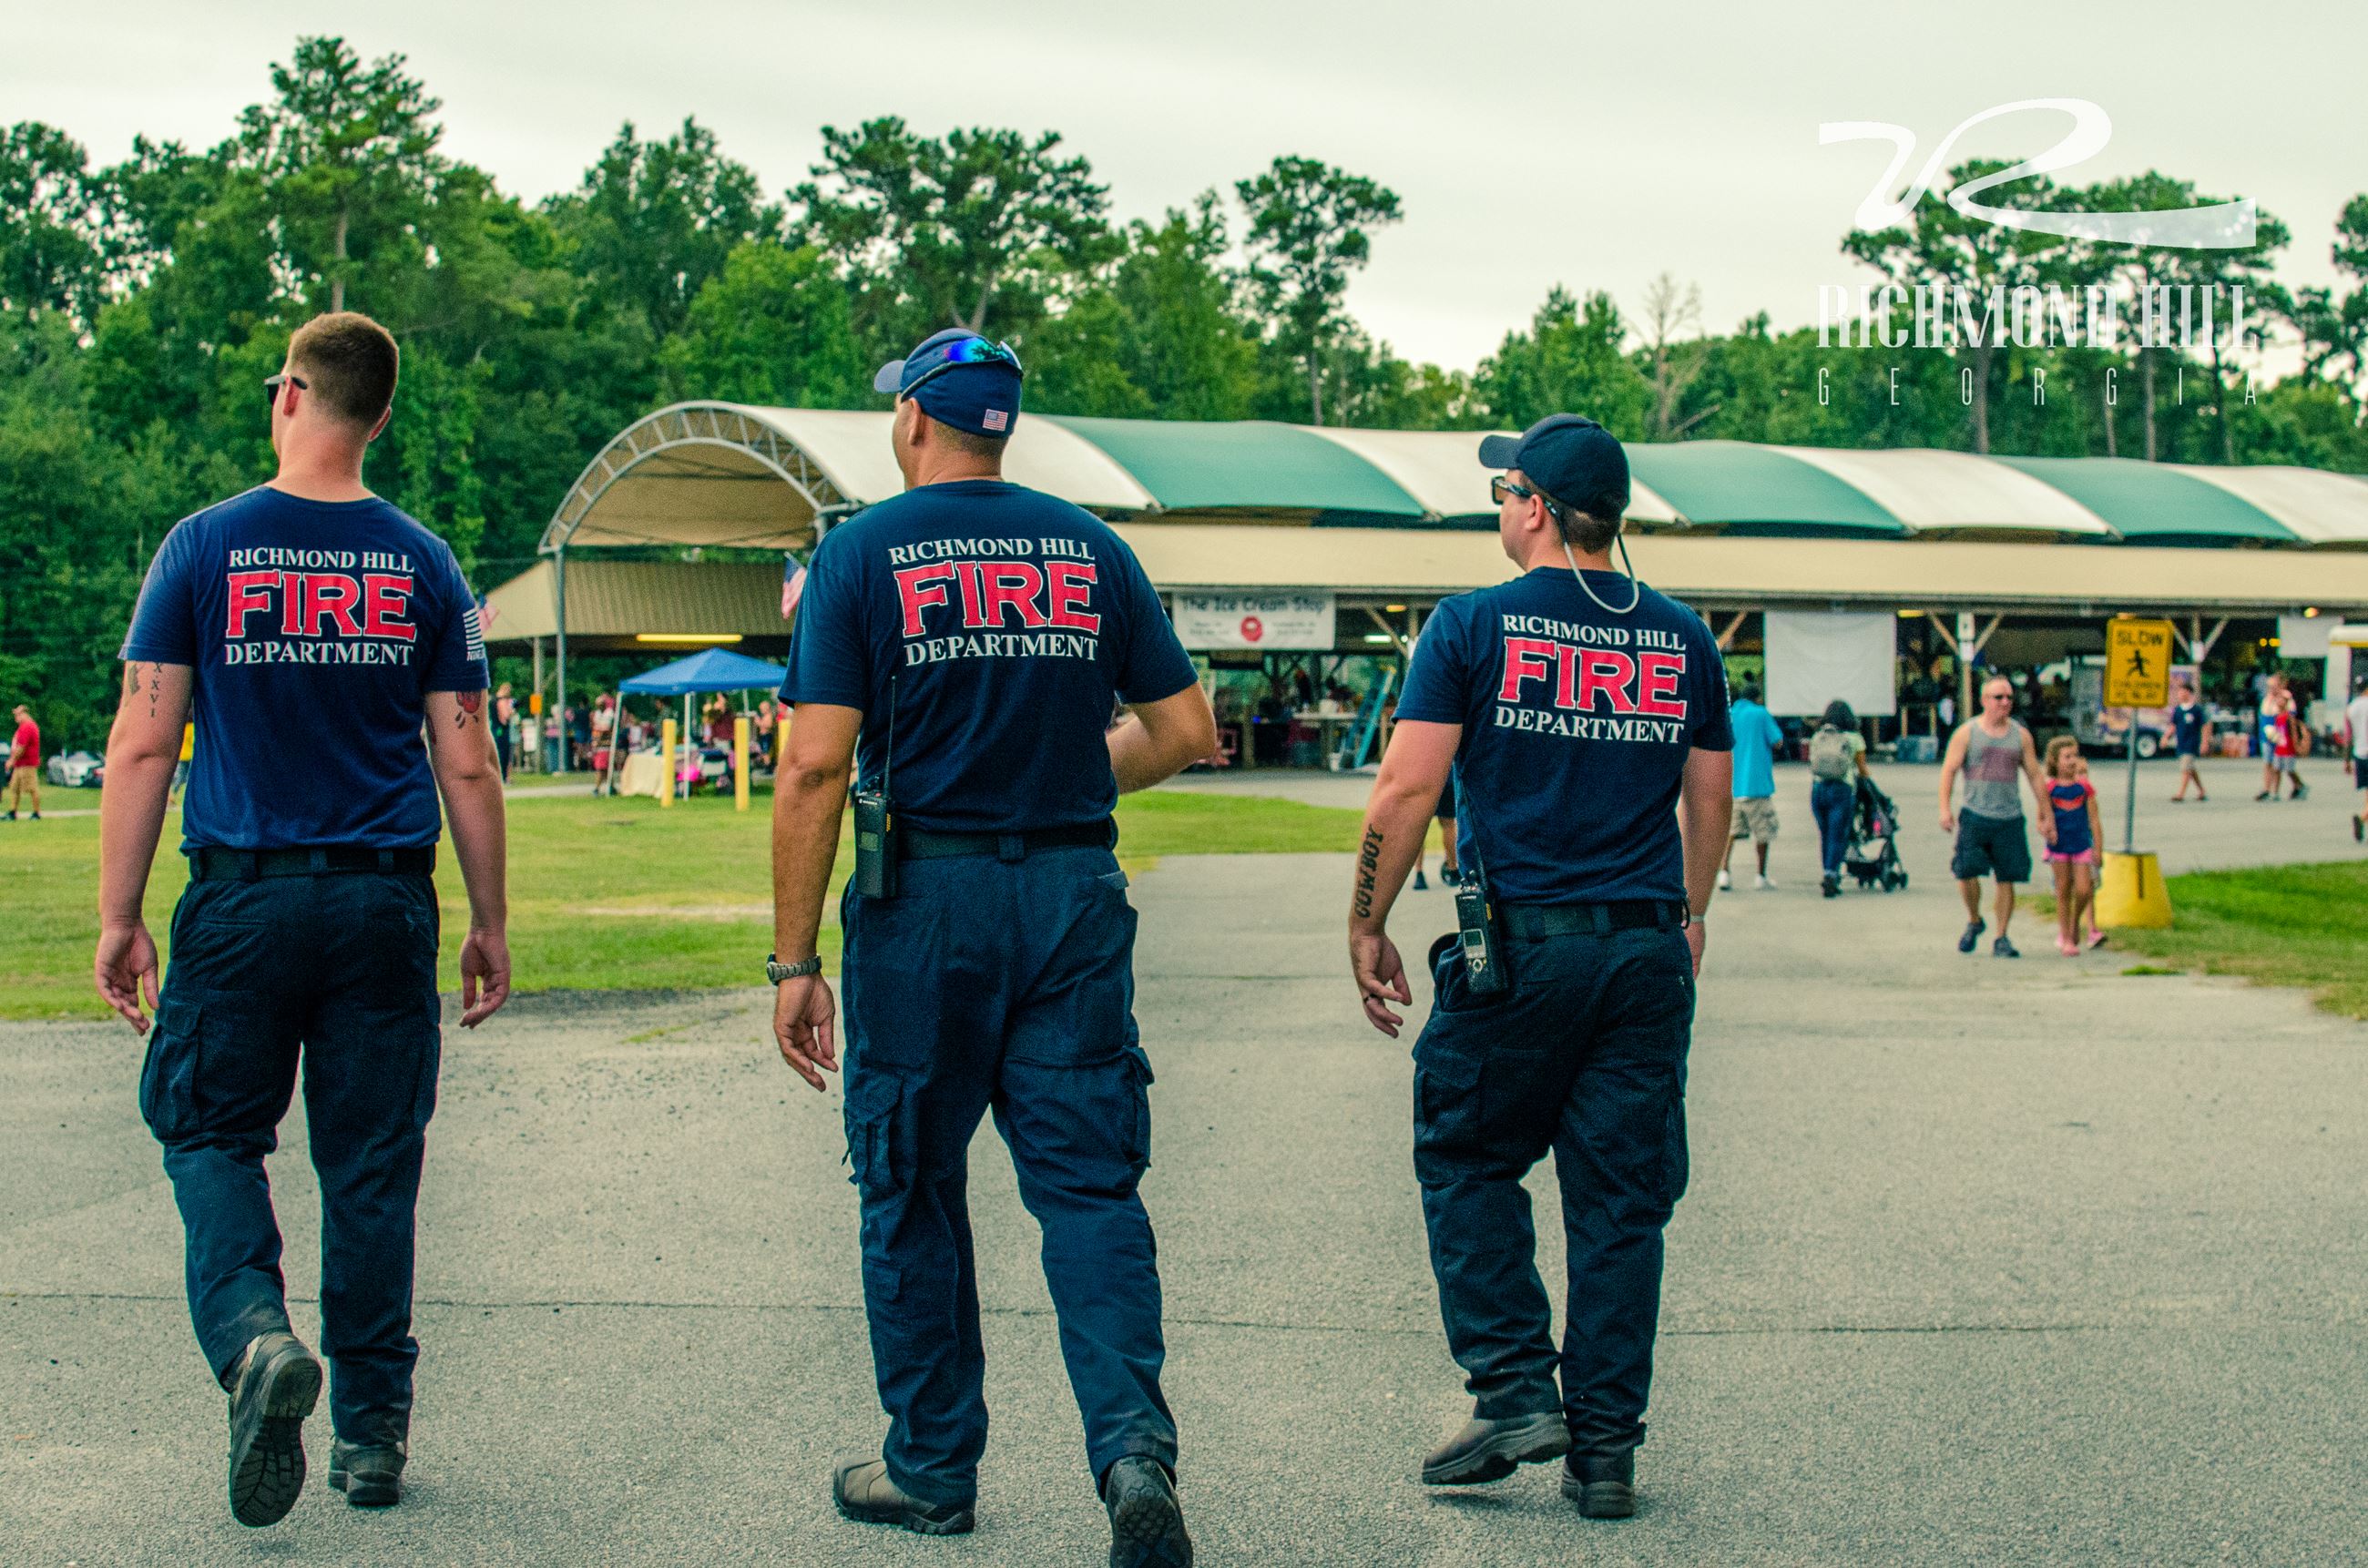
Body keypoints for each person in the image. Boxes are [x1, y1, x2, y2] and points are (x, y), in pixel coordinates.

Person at [769, 328, 1215, 1565]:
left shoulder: (861, 553)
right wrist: (1079, 771)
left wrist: (791, 958)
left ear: (916, 422)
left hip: (928, 901)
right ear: (1002, 424)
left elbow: (812, 764)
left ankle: (931, 1467)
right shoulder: (1091, 547)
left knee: (911, 1179)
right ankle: (1132, 1454)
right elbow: (1186, 725)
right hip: (1072, 893)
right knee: (1088, 1186)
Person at [94, 311, 511, 1529]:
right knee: (372, 1166)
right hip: (386, 895)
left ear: (289, 394)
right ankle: (372, 1435)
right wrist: (489, 917)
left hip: (245, 892)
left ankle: (254, 1335)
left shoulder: (204, 545)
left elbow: (141, 739)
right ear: (378, 415)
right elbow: (468, 755)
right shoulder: (424, 562)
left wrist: (121, 916)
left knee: (211, 1131)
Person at [1349, 413, 1732, 1522]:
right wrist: (1688, 916)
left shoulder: (1471, 627)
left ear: (1533, 506)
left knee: (1465, 1156)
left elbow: (1407, 791)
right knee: (1620, 1205)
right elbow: (1706, 798)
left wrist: (1364, 919)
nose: (1498, 512)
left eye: (1501, 494)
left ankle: (1515, 1389)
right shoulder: (1680, 638)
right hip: (1644, 946)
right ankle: (1604, 1452)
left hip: (1520, 948)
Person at [1937, 675, 2056, 958]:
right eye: (1998, 697)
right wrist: (1945, 808)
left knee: (2007, 877)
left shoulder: (2020, 735)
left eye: (2009, 698)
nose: (2004, 703)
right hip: (1975, 814)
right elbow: (1949, 770)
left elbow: (2035, 776)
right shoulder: (1967, 733)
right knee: (1966, 872)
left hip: (2009, 817)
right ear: (1984, 701)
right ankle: (1975, 920)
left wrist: (2046, 814)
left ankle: (2002, 936)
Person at [2042, 736, 2107, 955]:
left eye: (2074, 756)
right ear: (2054, 761)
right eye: (2067, 757)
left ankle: (2074, 923)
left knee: (2084, 889)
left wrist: (2098, 848)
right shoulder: (2049, 789)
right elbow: (2041, 819)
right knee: (2063, 890)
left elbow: (2094, 820)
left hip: (2081, 845)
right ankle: (2067, 938)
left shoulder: (2084, 789)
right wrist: (2045, 829)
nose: (2072, 761)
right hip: (2059, 847)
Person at [1720, 682, 1784, 891]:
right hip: (1757, 784)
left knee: (1730, 833)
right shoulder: (1760, 713)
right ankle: (1760, 876)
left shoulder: (1729, 713)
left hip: (1733, 785)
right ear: (1757, 697)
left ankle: (1724, 872)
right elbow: (1777, 741)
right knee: (1762, 832)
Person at [1805, 699, 1868, 898]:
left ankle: (1827, 871)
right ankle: (1832, 874)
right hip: (1842, 789)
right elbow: (1862, 769)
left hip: (1818, 788)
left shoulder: (1818, 736)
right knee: (1838, 834)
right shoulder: (1854, 738)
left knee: (1825, 834)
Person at [2167, 680, 2210, 802]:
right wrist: (2166, 737)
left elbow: (2205, 726)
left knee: (2186, 767)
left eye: (2182, 691)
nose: (2180, 694)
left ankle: (2180, 794)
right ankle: (2201, 790)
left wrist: (2205, 742)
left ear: (2188, 693)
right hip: (2181, 742)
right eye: (2179, 692)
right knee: (2190, 768)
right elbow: (2173, 725)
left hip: (2192, 743)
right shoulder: (2178, 710)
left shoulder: (2196, 710)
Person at [7, 702, 42, 820]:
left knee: (32, 788)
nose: (16, 717)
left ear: (24, 714)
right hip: (20, 764)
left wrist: (11, 760)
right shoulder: (23, 727)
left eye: (18, 714)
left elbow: (21, 748)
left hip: (27, 764)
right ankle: (12, 812)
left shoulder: (28, 727)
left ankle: (36, 813)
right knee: (14, 788)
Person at [2347, 674, 2368, 842]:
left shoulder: (2352, 707)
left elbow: (2349, 735)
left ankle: (2362, 820)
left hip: (2359, 754)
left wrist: (2347, 760)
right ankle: (2361, 819)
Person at [493, 683, 516, 779]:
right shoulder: (502, 702)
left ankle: (500, 775)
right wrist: (511, 711)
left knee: (498, 751)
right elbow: (505, 716)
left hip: (495, 729)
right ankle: (505, 776)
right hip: (502, 729)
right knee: (505, 753)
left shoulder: (493, 700)